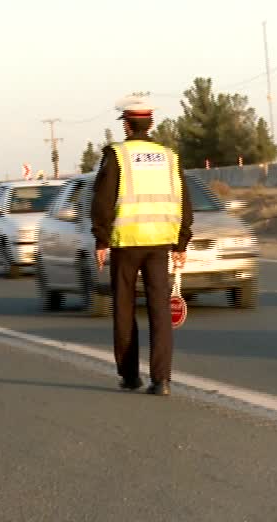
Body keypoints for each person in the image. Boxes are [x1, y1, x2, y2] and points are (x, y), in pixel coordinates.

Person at [90, 93, 193, 396]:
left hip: (126, 244)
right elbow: (184, 201)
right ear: (150, 123)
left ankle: (130, 376)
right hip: (160, 243)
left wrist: (100, 239)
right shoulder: (170, 157)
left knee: (124, 309)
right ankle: (161, 380)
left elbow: (103, 200)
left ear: (126, 125)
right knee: (160, 311)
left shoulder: (117, 155)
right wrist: (181, 244)